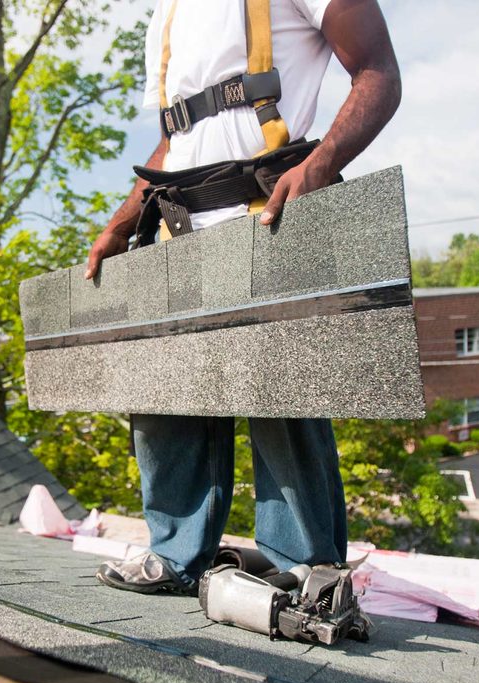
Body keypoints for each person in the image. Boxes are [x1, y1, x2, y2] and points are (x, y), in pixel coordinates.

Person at [87, 0, 401, 594]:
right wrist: (122, 222)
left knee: (279, 390)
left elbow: (379, 72)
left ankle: (304, 565)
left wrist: (320, 164)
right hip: (179, 220)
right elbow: (175, 142)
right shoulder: (169, 14)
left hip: (268, 210)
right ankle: (176, 556)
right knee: (168, 392)